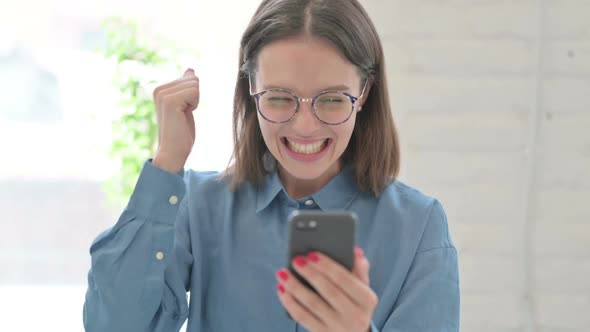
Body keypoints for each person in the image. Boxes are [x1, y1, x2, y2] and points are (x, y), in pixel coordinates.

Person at [83, 0, 460, 331]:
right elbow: (114, 324)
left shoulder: (419, 226)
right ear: (251, 89)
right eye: (280, 97)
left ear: (363, 94)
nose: (305, 126)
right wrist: (167, 162)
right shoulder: (198, 206)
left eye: (331, 99)